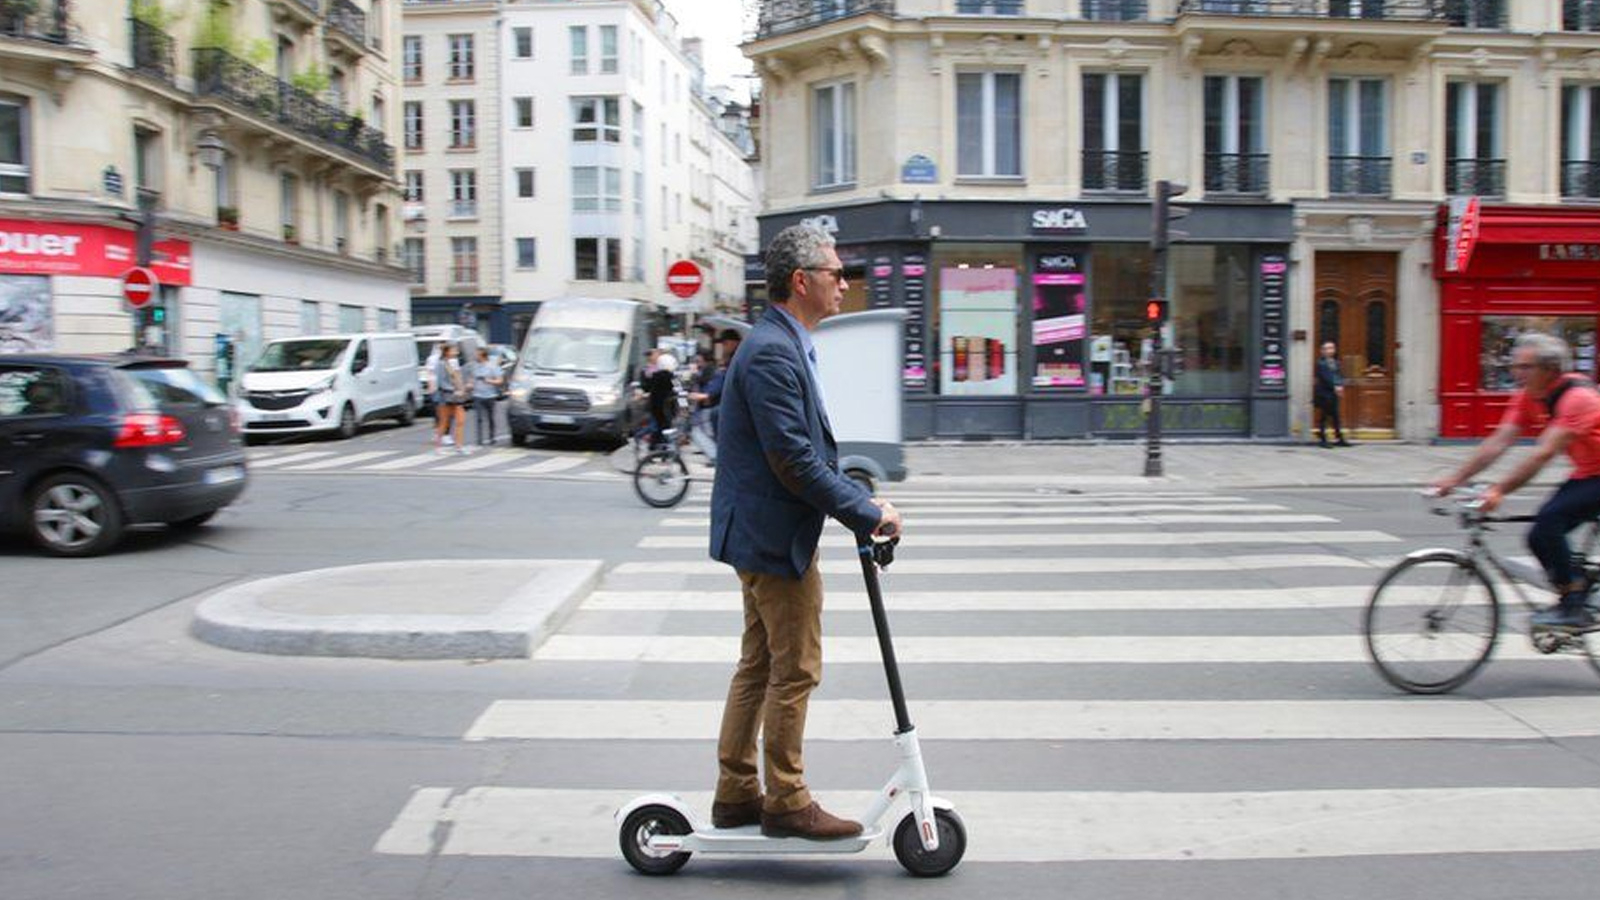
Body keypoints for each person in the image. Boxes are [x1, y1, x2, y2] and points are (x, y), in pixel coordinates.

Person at [708, 224, 902, 840]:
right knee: (794, 669)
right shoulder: (772, 351)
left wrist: (857, 498)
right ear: (801, 281)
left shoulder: (781, 343)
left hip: (760, 533)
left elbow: (803, 453)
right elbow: (792, 460)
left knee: (758, 665)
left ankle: (737, 792)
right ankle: (786, 800)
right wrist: (866, 512)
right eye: (836, 274)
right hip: (772, 539)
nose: (844, 283)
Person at [1433, 332, 1600, 630]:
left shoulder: (1578, 398)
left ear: (1550, 369)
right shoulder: (1528, 397)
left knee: (1550, 521)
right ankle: (1574, 590)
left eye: (1525, 367)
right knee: (1537, 537)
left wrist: (1499, 490)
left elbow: (1543, 454)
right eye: (1515, 366)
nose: (1515, 373)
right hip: (1588, 472)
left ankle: (1573, 606)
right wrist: (1455, 479)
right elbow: (1499, 441)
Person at [432, 343, 469, 455]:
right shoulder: (441, 364)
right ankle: (438, 447)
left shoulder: (451, 363)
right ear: (447, 352)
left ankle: (459, 446)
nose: (456, 352)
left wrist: (461, 388)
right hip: (445, 397)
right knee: (444, 422)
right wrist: (454, 390)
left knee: (460, 420)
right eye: (453, 350)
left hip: (454, 397)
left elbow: (456, 378)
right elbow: (441, 382)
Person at [1314, 341, 1350, 448]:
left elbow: (1339, 375)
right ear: (1322, 351)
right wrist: (1336, 386)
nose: (1330, 350)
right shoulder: (1321, 363)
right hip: (1324, 394)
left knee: (1335, 416)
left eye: (1332, 348)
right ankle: (1323, 439)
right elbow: (1326, 377)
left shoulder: (1336, 362)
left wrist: (1340, 385)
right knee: (1324, 416)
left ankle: (1339, 438)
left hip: (1333, 393)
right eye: (1327, 348)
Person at [643, 350, 678, 449]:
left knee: (659, 425)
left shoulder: (655, 376)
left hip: (656, 405)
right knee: (666, 425)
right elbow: (677, 389)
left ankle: (654, 444)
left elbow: (648, 388)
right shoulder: (672, 377)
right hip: (667, 405)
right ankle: (663, 444)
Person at [469, 347, 503, 446]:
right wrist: (470, 384)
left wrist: (489, 381)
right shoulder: (474, 366)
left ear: (483, 356)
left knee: (490, 417)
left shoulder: (492, 366)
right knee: (479, 418)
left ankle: (492, 437)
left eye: (477, 355)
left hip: (490, 395)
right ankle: (479, 440)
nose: (475, 356)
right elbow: (472, 378)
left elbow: (500, 380)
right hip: (477, 395)